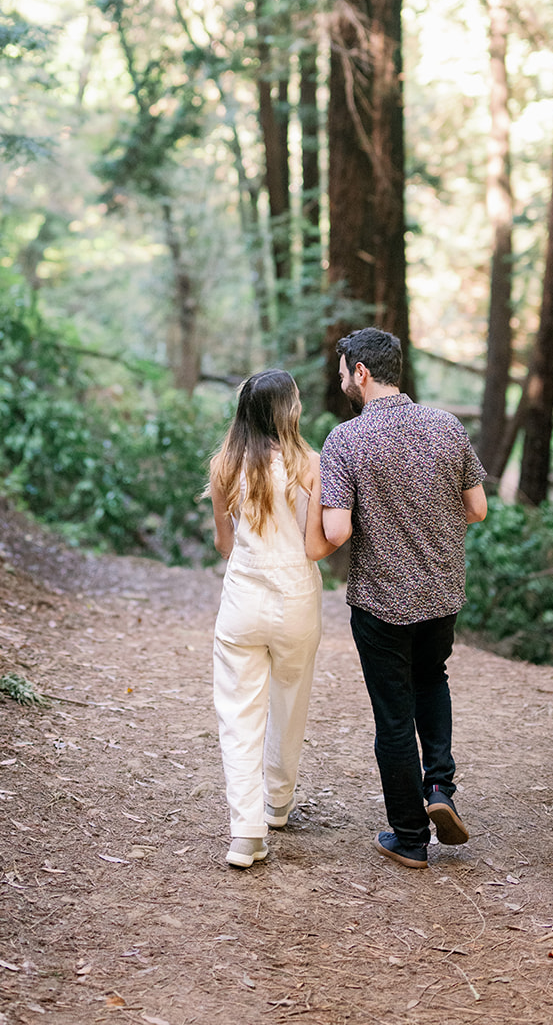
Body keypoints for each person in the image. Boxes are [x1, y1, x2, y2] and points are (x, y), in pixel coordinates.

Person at [307, 327, 488, 869]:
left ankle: (409, 836)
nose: (340, 380)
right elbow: (477, 509)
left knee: (392, 714)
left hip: (382, 600)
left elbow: (335, 531)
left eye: (342, 371)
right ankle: (440, 790)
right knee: (432, 680)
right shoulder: (446, 426)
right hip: (440, 595)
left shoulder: (345, 440)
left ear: (360, 372)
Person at [209, 369, 325, 868]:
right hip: (296, 596)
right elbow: (315, 546)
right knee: (290, 699)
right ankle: (278, 801)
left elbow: (223, 543)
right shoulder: (310, 464)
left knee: (238, 713)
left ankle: (246, 832)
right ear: (288, 411)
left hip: (242, 600)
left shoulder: (224, 466)